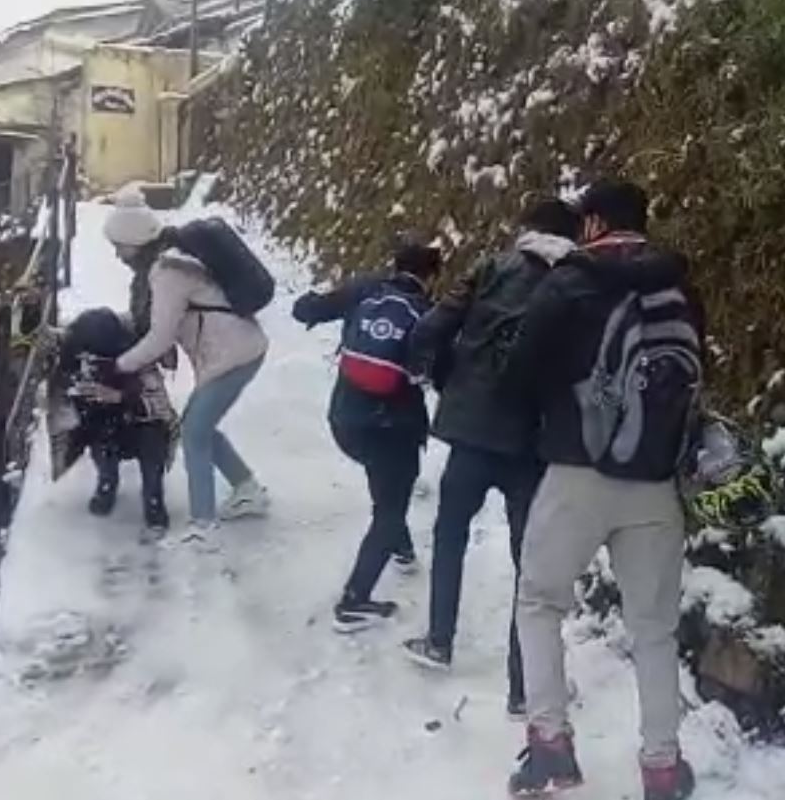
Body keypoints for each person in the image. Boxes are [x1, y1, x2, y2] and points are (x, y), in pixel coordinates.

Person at [504, 179, 705, 800]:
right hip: (655, 483)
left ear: (591, 224)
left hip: (575, 472)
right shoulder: (679, 288)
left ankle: (551, 752)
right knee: (654, 630)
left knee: (540, 604)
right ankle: (663, 770)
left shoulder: (569, 281)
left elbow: (518, 372)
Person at [402, 198, 580, 719]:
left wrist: (446, 384)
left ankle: (439, 640)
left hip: (472, 435)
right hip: (532, 444)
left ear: (527, 231)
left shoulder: (489, 269)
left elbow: (429, 331)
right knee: (530, 565)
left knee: (451, 533)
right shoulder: (575, 286)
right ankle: (523, 688)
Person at [292, 239, 443, 633]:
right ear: (431, 278)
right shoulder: (428, 313)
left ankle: (402, 548)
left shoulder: (366, 289)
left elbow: (304, 310)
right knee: (390, 507)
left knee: (384, 483)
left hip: (345, 419)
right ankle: (354, 601)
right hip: (394, 427)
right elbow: (444, 373)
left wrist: (312, 300)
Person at [104, 188, 271, 542]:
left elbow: (160, 336)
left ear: (134, 241)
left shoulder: (167, 270)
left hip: (234, 354)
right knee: (201, 426)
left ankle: (202, 526)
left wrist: (120, 366)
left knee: (194, 431)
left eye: (119, 245)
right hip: (236, 350)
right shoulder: (169, 260)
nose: (117, 254)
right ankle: (247, 488)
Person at [54, 307, 175, 535]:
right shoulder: (77, 359)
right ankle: (107, 484)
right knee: (97, 431)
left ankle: (154, 499)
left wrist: (120, 397)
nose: (91, 361)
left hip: (143, 425)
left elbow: (160, 407)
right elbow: (62, 403)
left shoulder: (139, 360)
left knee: (153, 439)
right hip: (107, 427)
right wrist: (79, 397)